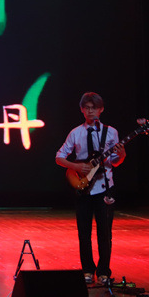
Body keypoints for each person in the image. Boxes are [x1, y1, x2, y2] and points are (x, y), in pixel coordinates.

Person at [55, 92, 126, 285]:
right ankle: (87, 270)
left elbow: (115, 162)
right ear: (81, 110)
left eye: (94, 108)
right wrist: (76, 166)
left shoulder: (111, 132)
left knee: (105, 232)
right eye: (86, 108)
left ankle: (104, 271)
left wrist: (122, 155)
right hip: (84, 187)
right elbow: (59, 157)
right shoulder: (75, 133)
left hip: (105, 187)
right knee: (84, 232)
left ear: (101, 109)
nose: (90, 111)